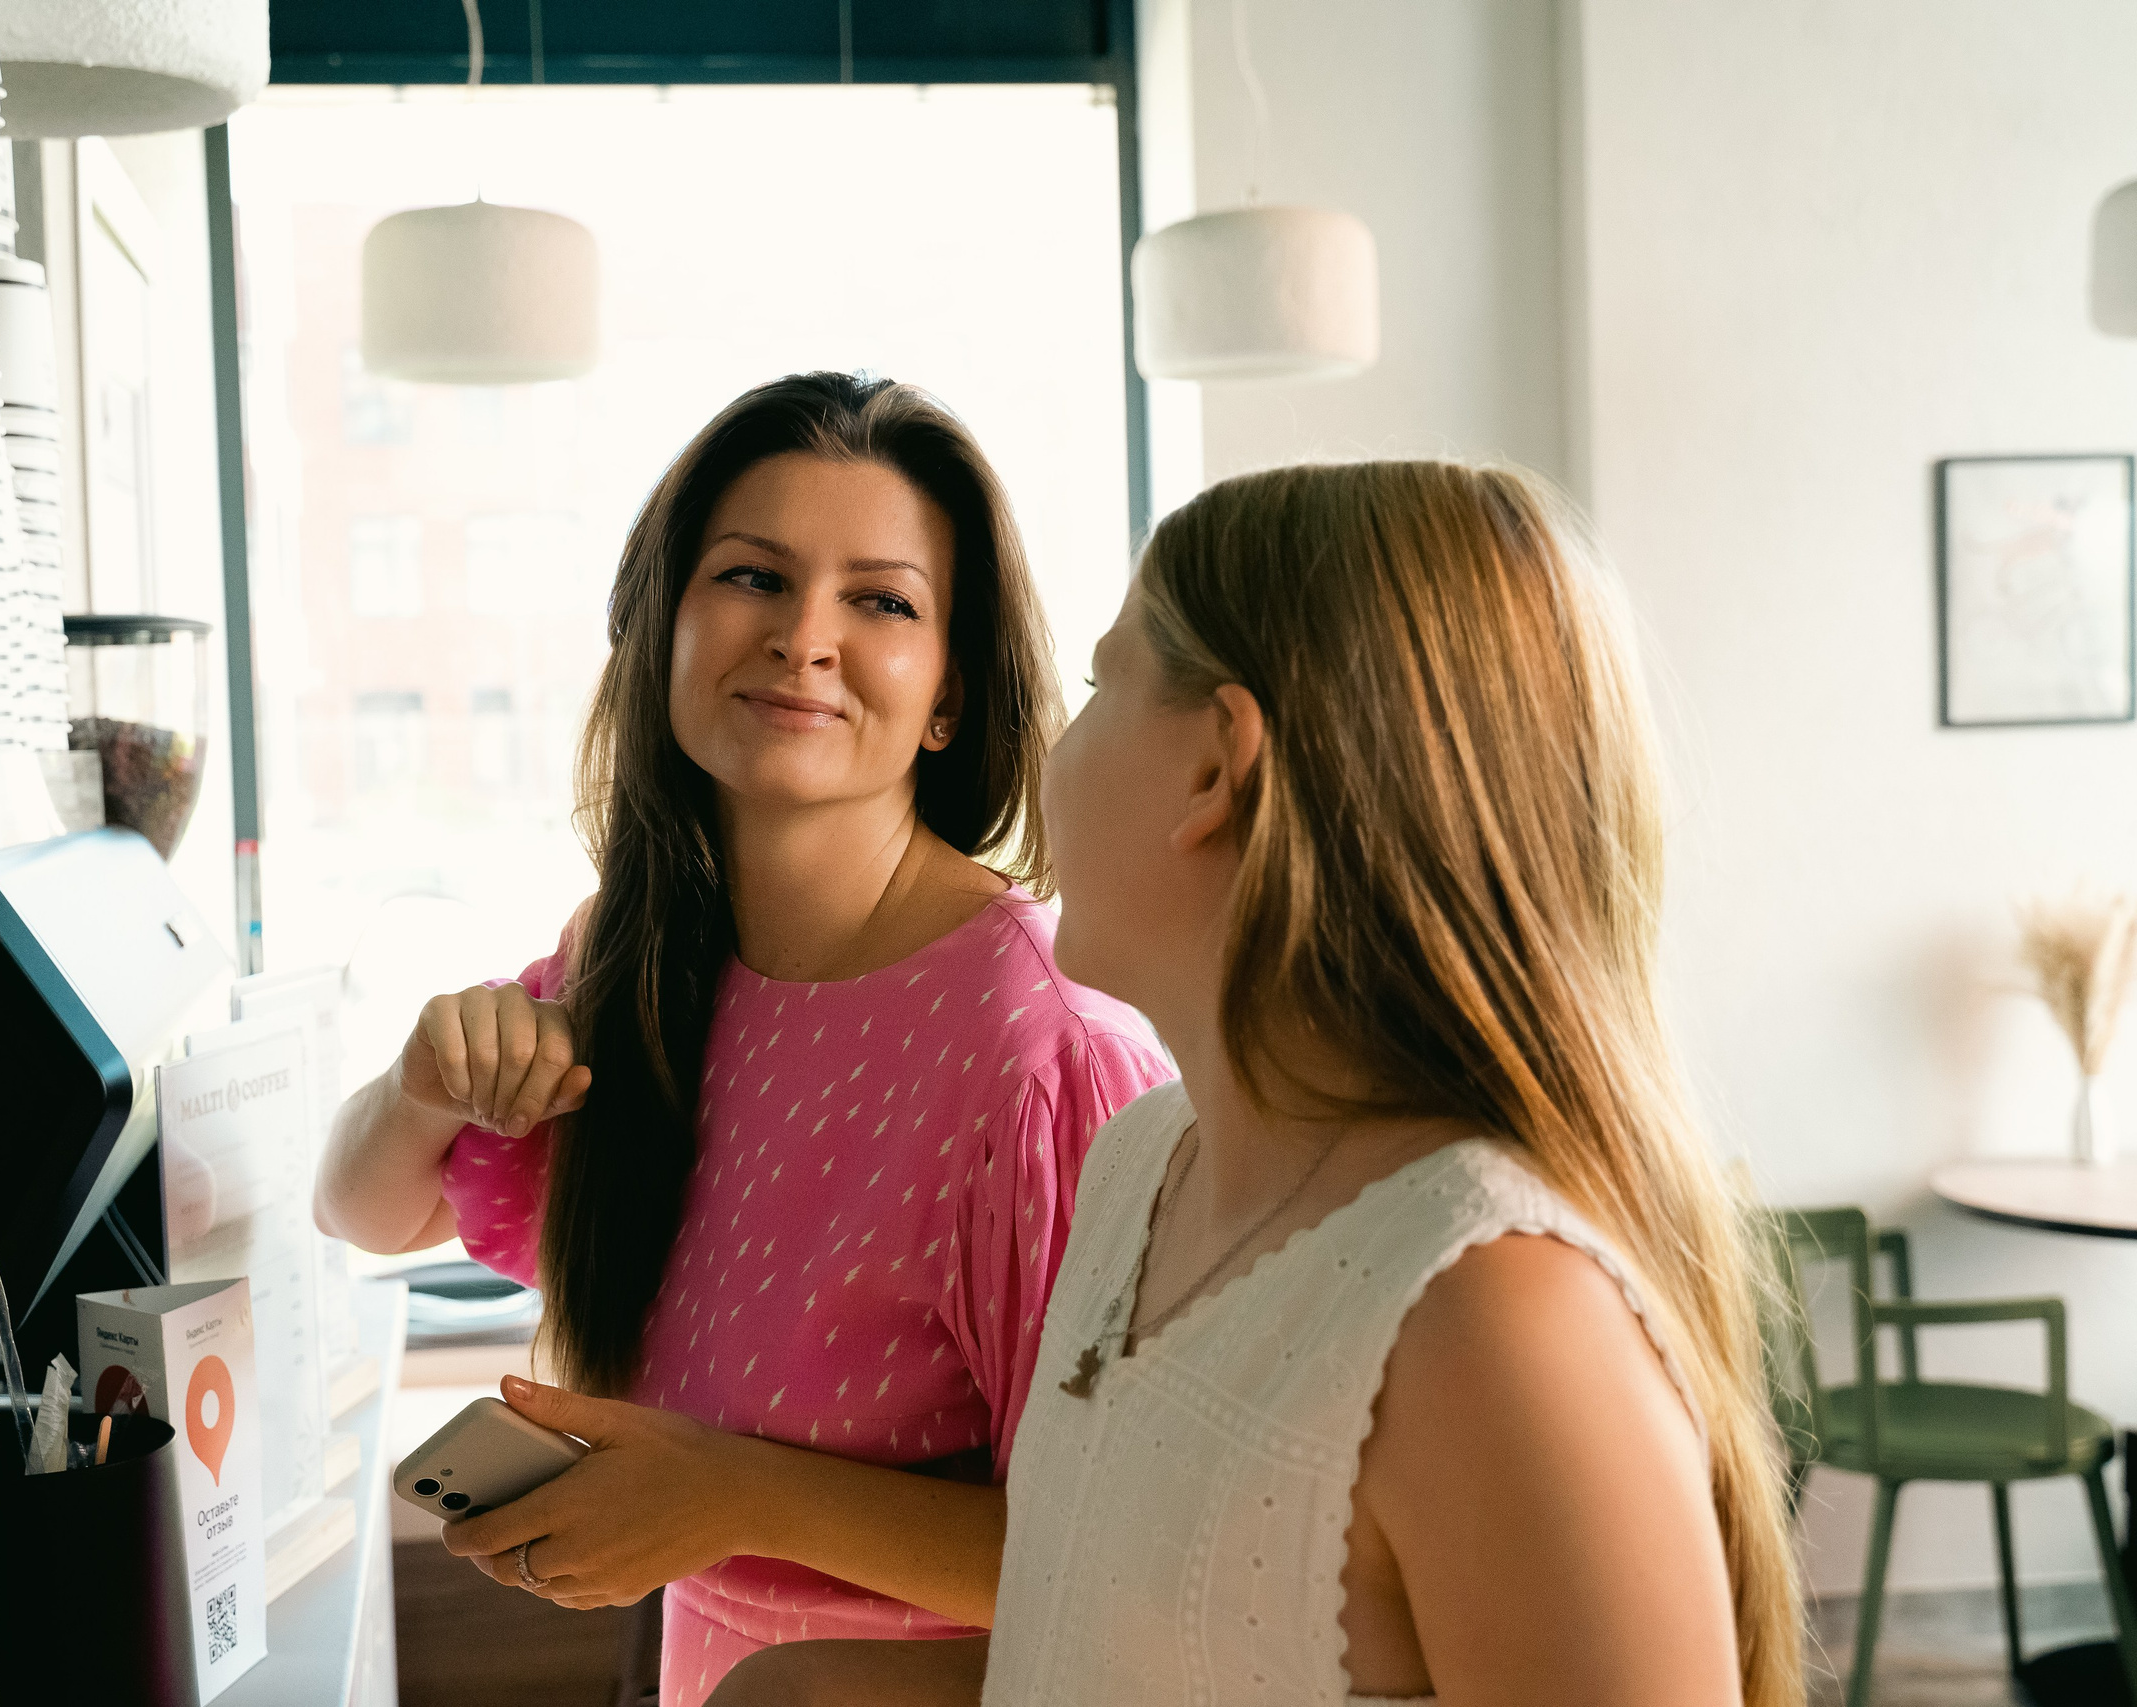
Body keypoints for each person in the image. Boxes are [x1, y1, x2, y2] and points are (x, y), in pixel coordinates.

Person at [708, 461, 1801, 1707]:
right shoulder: (1140, 1169)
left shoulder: (1495, 1318)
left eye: (1097, 685)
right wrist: (808, 1692)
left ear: (1214, 770)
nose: (1055, 752)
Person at [314, 372, 1171, 1707]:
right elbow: (364, 1204)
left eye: (881, 599)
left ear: (948, 693)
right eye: (753, 577)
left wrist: (731, 1494)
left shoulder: (1041, 1055)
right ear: (665, 627)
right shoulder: (637, 955)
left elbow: (1121, 1556)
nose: (803, 636)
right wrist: (423, 1079)